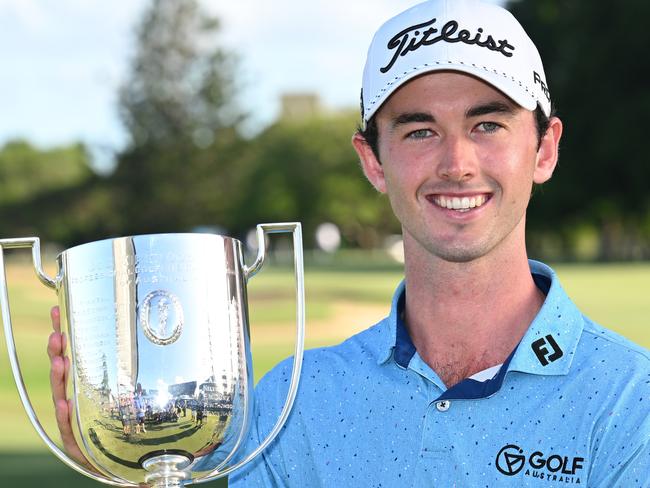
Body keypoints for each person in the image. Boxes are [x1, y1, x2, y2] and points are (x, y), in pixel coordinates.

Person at [48, 0, 649, 486]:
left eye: (487, 124)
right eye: (419, 130)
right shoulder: (288, 407)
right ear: (373, 161)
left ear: (544, 148)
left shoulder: (633, 403)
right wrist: (143, 470)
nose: (456, 163)